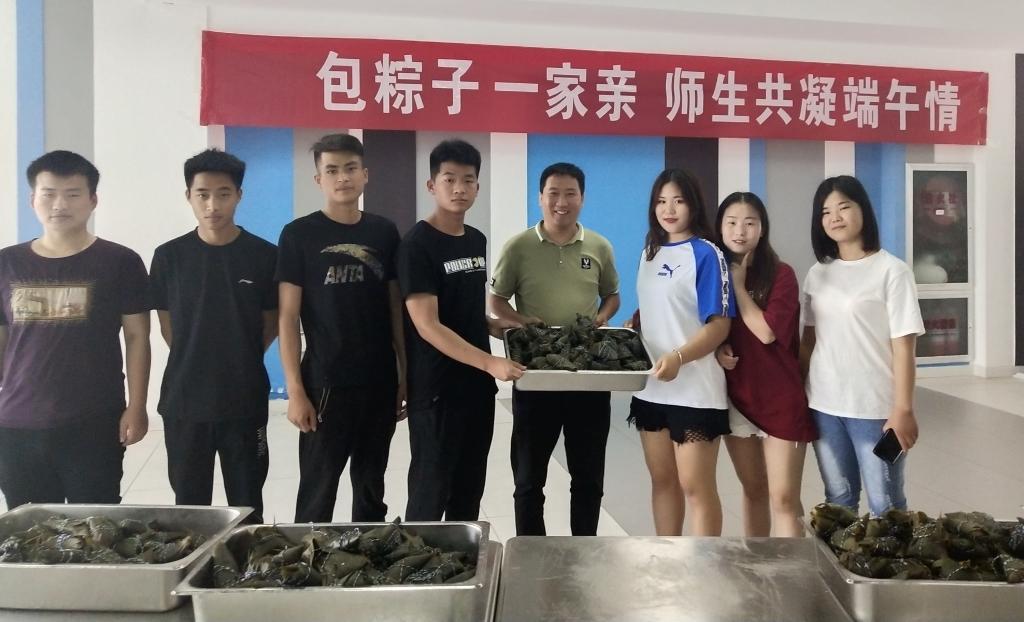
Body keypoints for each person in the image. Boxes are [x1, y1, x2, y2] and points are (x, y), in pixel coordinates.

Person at [0, 150, 150, 508]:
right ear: (32, 199)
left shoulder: (120, 261)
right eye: (49, 193)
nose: (59, 204)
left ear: (92, 200)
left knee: (97, 521)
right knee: (30, 526)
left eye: (72, 194)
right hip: (17, 422)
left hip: (94, 418)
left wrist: (137, 406)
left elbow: (137, 337)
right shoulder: (7, 262)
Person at [277, 133, 405, 523]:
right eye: (332, 170)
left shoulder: (384, 232)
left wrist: (404, 372)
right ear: (319, 179)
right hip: (326, 384)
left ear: (365, 174)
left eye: (351, 168)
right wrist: (295, 391)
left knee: (371, 487)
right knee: (318, 491)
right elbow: (287, 317)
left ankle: (366, 554)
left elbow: (395, 308)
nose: (343, 177)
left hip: (379, 382)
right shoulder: (298, 234)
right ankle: (307, 557)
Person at [489, 162, 620, 536]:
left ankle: (584, 549)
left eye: (570, 194)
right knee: (529, 480)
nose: (562, 202)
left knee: (588, 479)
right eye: (554, 194)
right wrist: (521, 322)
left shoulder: (599, 246)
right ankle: (532, 551)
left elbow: (612, 295)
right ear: (540, 198)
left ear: (582, 198)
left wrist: (601, 319)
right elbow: (497, 301)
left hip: (588, 378)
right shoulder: (518, 247)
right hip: (536, 376)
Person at [399, 139, 525, 522]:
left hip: (476, 389)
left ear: (477, 187)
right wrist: (489, 362)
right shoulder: (417, 245)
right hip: (437, 390)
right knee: (430, 491)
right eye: (449, 179)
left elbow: (462, 307)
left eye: (468, 180)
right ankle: (418, 560)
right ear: (431, 185)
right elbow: (427, 325)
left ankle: (463, 556)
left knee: (469, 489)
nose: (459, 188)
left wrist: (496, 326)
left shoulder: (475, 239)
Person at [150, 149, 277, 523]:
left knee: (248, 501)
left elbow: (270, 323)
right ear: (188, 196)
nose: (212, 205)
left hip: (244, 398)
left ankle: (247, 559)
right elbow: (168, 325)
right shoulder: (169, 257)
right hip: (185, 401)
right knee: (190, 506)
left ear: (239, 195)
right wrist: (198, 357)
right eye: (202, 194)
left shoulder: (264, 255)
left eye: (223, 194)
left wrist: (238, 357)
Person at [801, 175, 924, 517]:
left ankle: (893, 554)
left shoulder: (892, 271)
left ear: (863, 210)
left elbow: (904, 349)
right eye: (825, 212)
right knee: (838, 500)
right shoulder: (817, 273)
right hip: (824, 404)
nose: (834, 217)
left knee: (887, 503)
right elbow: (809, 341)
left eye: (843, 207)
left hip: (875, 408)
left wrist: (903, 409)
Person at [627, 168, 733, 537]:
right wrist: (635, 325)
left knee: (695, 487)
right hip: (652, 388)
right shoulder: (649, 252)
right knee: (662, 481)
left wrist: (679, 357)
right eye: (661, 201)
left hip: (695, 390)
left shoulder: (707, 253)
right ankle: (667, 559)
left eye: (678, 201)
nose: (668, 210)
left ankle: (704, 564)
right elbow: (661, 308)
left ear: (693, 205)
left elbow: (719, 325)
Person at [713, 191, 817, 537]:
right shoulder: (712, 273)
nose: (739, 231)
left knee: (784, 498)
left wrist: (739, 287)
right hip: (737, 398)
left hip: (780, 399)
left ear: (762, 228)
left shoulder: (781, 275)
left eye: (749, 223)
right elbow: (703, 323)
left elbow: (767, 332)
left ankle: (792, 568)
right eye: (731, 222)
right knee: (753, 490)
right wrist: (717, 348)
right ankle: (757, 563)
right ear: (720, 227)